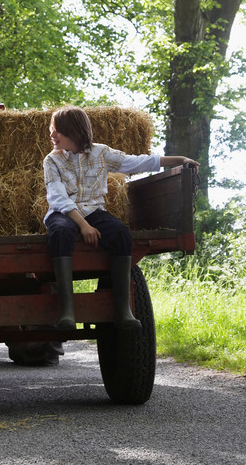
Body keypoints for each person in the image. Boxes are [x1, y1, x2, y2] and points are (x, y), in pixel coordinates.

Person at [43, 105, 198, 331]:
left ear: (73, 131)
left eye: (57, 130)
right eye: (51, 129)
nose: (52, 135)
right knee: (61, 231)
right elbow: (57, 198)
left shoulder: (101, 153)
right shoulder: (52, 160)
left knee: (120, 234)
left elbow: (137, 162)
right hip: (64, 212)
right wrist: (84, 226)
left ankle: (123, 311)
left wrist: (179, 159)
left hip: (94, 210)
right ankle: (67, 311)